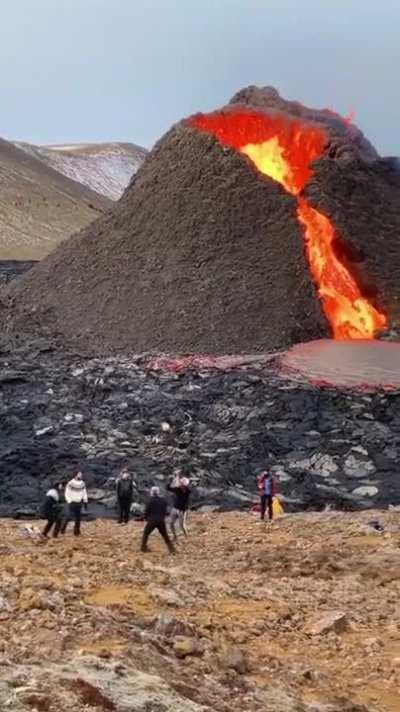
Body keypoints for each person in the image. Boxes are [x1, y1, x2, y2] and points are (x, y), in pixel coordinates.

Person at [141, 486, 175, 554]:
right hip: (161, 521)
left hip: (152, 520)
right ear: (158, 492)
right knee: (165, 535)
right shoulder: (163, 500)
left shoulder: (150, 500)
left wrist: (145, 518)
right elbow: (166, 511)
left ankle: (143, 548)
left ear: (152, 492)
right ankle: (172, 550)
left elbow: (146, 511)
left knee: (146, 533)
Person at [60, 471, 88, 536]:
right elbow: (67, 493)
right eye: (79, 474)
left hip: (79, 502)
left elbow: (84, 492)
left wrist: (85, 501)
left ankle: (77, 531)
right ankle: (62, 529)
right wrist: (69, 501)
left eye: (81, 474)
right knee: (68, 516)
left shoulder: (82, 483)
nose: (81, 476)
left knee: (78, 518)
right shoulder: (70, 483)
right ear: (75, 475)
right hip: (72, 502)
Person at [167, 473, 191, 541]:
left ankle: (186, 537)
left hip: (182, 510)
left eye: (181, 483)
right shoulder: (179, 490)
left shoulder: (187, 491)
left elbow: (170, 488)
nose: (180, 484)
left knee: (182, 525)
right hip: (175, 508)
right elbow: (168, 488)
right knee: (171, 523)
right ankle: (175, 537)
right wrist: (174, 479)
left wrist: (176, 478)